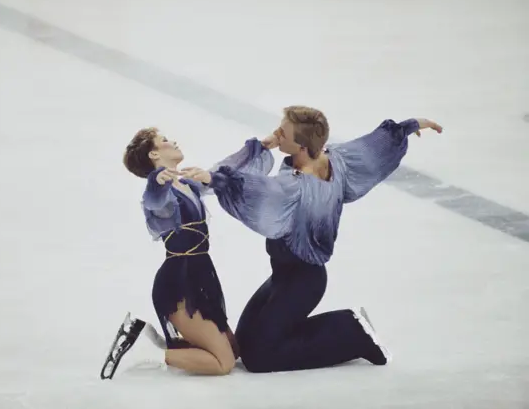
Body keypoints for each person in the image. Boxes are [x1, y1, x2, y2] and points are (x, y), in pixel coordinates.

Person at [180, 106, 443, 373]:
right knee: (246, 344)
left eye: (283, 132)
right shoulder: (336, 159)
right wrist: (408, 126)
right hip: (283, 276)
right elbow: (370, 148)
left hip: (303, 282)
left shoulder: (295, 187)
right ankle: (332, 330)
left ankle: (353, 331)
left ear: (301, 146)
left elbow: (254, 190)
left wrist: (215, 179)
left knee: (259, 359)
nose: (277, 133)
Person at [102, 127, 245, 379]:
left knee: (233, 351)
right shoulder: (162, 193)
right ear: (154, 154)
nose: (173, 141)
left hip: (201, 276)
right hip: (180, 283)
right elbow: (154, 201)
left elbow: (222, 171)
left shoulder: (186, 184)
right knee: (223, 363)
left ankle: (158, 342)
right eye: (164, 140)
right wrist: (156, 182)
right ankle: (147, 353)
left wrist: (259, 147)